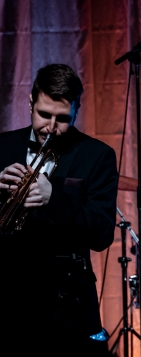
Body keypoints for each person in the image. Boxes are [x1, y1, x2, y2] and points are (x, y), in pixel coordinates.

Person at [0, 63, 118, 342]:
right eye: (44, 115)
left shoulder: (98, 155)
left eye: (63, 118)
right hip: (8, 294)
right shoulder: (2, 146)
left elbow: (101, 234)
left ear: (77, 109)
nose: (51, 128)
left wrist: (53, 199)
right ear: (31, 102)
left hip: (66, 303)